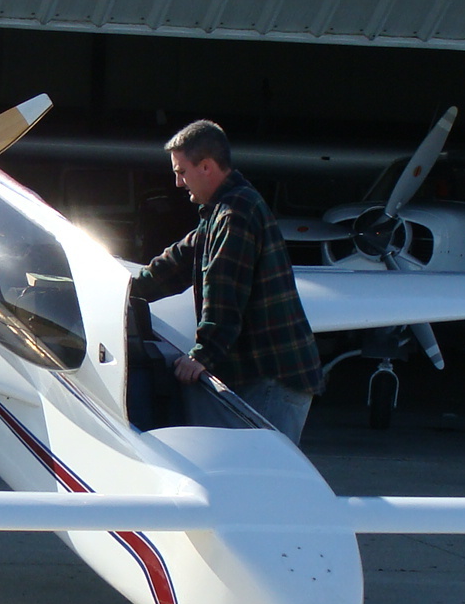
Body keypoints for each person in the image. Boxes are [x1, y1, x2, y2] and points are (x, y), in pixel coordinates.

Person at [132, 120, 322, 443]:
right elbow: (174, 265)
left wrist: (201, 356)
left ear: (205, 167)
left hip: (273, 381)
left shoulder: (236, 214)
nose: (178, 183)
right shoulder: (222, 211)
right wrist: (122, 293)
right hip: (269, 377)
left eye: (181, 172)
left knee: (260, 483)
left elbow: (224, 294)